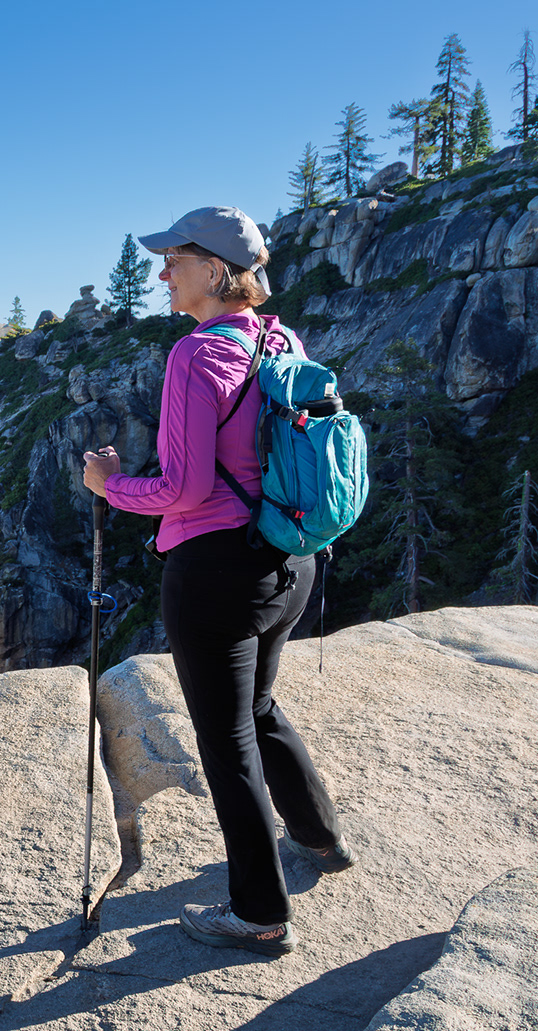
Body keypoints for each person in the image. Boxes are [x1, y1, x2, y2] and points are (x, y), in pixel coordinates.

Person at [81, 205, 352, 958]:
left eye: (175, 258)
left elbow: (186, 488)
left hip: (217, 572)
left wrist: (109, 487)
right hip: (288, 559)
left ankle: (259, 912)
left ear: (216, 270)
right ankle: (320, 839)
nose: (162, 271)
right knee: (259, 708)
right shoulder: (278, 338)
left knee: (225, 739)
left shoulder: (197, 355)